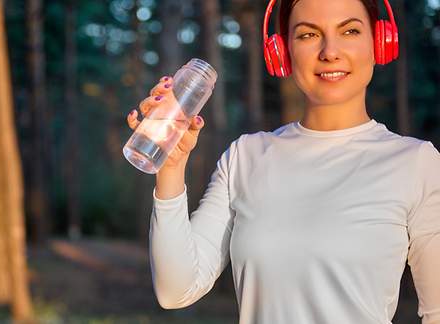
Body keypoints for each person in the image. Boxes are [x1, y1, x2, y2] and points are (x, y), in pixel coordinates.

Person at [126, 0, 440, 323]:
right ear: (282, 52)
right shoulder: (244, 157)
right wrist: (171, 167)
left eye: (349, 30)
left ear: (379, 42)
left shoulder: (417, 164)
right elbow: (175, 289)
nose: (330, 51)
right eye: (308, 35)